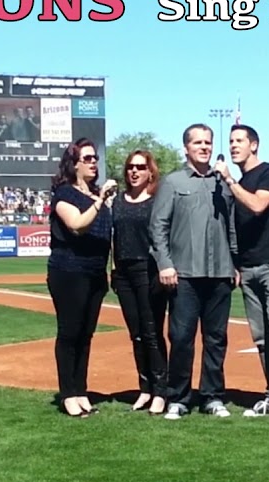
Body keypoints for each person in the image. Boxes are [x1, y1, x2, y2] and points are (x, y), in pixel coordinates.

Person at [150, 123, 238, 420]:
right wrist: (164, 262)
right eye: (198, 142)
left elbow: (232, 226)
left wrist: (235, 263)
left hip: (220, 272)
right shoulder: (173, 183)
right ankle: (179, 397)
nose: (204, 147)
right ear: (186, 147)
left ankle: (213, 396)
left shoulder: (223, 183)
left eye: (208, 142)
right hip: (184, 273)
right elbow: (158, 226)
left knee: (216, 338)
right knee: (182, 337)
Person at [215, 124, 269, 423]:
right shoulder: (241, 180)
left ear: (254, 145)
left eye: (240, 141)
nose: (234, 145)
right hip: (248, 268)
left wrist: (229, 181)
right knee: (262, 338)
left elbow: (258, 205)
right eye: (231, 141)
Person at [47, 138, 116, 418]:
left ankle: (80, 390)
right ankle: (67, 394)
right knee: (70, 333)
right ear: (74, 164)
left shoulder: (97, 195)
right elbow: (76, 225)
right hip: (68, 271)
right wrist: (101, 201)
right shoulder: (64, 194)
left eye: (94, 158)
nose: (93, 163)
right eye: (87, 159)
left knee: (85, 335)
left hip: (94, 273)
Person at [111, 150, 169, 416]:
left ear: (150, 172)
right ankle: (144, 388)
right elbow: (113, 236)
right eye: (130, 167)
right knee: (135, 334)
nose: (134, 171)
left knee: (152, 332)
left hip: (148, 270)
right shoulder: (118, 202)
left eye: (140, 167)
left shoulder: (157, 201)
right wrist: (112, 267)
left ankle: (161, 391)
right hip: (123, 272)